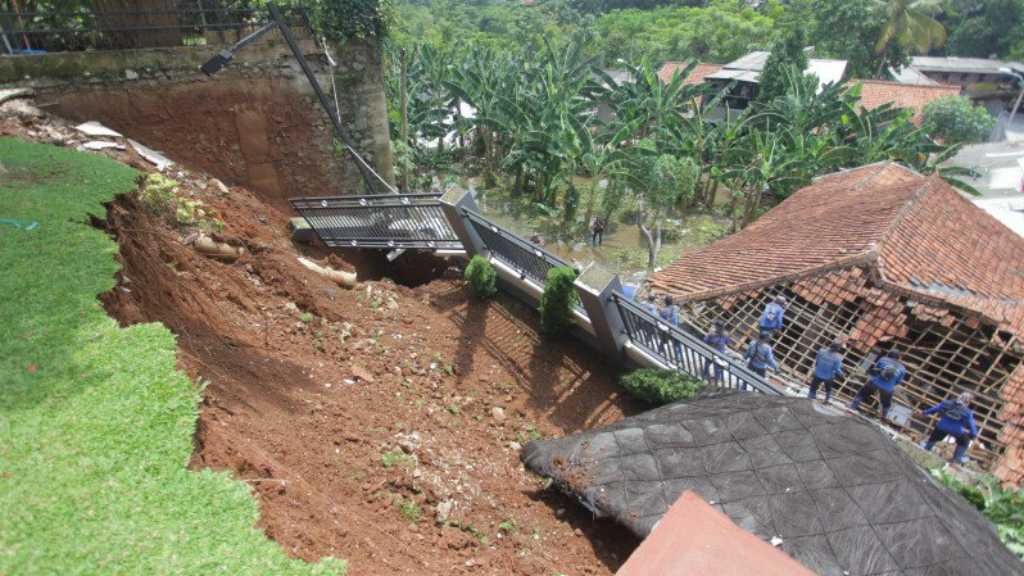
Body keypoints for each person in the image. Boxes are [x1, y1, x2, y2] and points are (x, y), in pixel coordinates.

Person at [918, 392, 978, 465]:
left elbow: (934, 409)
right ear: (968, 402)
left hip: (942, 427)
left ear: (958, 397)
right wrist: (972, 435)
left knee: (935, 434)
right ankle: (956, 459)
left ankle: (927, 447)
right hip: (956, 431)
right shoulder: (967, 412)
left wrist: (924, 413)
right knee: (964, 441)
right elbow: (972, 426)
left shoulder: (946, 403)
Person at [849, 350, 906, 421]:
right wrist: (890, 383)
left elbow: (875, 369)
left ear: (889, 354)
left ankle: (851, 409)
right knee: (886, 405)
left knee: (861, 395)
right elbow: (898, 382)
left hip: (875, 382)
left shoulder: (883, 359)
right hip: (888, 388)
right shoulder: (903, 368)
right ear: (898, 358)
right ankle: (882, 419)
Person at [702, 320, 732, 385]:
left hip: (713, 352)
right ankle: (716, 379)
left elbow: (705, 341)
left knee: (709, 365)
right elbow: (728, 343)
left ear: (716, 326)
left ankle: (706, 376)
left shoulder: (712, 333)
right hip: (718, 353)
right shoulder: (725, 334)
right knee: (716, 367)